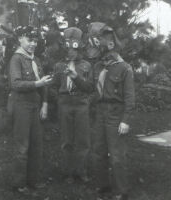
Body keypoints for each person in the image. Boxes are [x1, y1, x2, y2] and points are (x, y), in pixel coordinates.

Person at [90, 23, 135, 200]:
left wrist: (126, 120)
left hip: (116, 114)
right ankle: (103, 186)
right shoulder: (98, 67)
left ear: (112, 47)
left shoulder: (124, 68)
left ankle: (121, 190)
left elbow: (130, 98)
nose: (105, 55)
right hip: (100, 112)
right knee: (98, 151)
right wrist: (74, 77)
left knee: (117, 154)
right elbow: (91, 88)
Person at [8, 26, 52, 192]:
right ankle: (19, 183)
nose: (33, 44)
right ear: (20, 39)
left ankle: (34, 179)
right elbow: (16, 84)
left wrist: (45, 103)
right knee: (22, 146)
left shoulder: (36, 60)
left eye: (35, 40)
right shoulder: (16, 59)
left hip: (35, 105)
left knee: (36, 144)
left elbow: (44, 83)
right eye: (29, 40)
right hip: (21, 106)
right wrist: (37, 84)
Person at [50, 27, 94, 183]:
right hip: (65, 104)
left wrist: (86, 99)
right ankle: (68, 172)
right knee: (66, 140)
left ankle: (81, 171)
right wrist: (59, 100)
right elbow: (53, 86)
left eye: (74, 48)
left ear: (80, 48)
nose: (71, 52)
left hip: (81, 103)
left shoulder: (86, 66)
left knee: (83, 140)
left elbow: (90, 87)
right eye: (68, 48)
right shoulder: (59, 66)